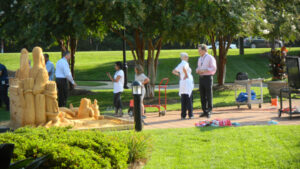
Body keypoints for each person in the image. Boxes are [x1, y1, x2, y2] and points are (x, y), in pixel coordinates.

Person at [196, 44, 217, 118]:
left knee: (208, 94)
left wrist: (205, 70)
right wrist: (197, 70)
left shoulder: (210, 57)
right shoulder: (200, 58)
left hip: (208, 77)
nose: (199, 52)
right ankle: (204, 111)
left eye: (200, 50)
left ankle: (209, 111)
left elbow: (214, 68)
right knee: (202, 95)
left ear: (204, 50)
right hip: (201, 78)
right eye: (198, 50)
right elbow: (198, 67)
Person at [172, 52, 194, 119]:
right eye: (187, 57)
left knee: (183, 98)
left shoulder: (180, 64)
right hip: (187, 82)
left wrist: (180, 75)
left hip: (182, 82)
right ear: (184, 57)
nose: (188, 58)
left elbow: (173, 71)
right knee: (189, 98)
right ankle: (190, 115)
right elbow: (184, 68)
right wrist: (186, 75)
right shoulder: (186, 63)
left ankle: (183, 115)